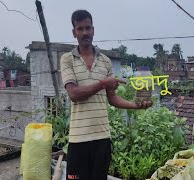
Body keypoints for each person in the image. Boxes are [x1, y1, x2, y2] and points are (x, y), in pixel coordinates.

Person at [60, 10, 153, 180]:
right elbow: (73, 93)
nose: (85, 32)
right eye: (80, 29)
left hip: (102, 138)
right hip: (78, 140)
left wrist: (136, 105)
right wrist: (103, 83)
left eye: (88, 28)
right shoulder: (67, 59)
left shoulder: (105, 61)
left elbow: (112, 98)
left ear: (93, 30)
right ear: (74, 32)